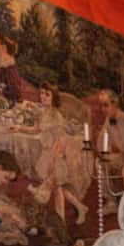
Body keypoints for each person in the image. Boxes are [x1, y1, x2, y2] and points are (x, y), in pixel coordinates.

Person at [21, 84, 88, 225]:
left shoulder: (56, 116)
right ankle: (79, 208)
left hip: (55, 154)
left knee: (56, 188)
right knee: (58, 188)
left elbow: (61, 141)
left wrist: (53, 159)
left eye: (47, 94)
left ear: (53, 97)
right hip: (46, 153)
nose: (43, 97)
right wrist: (19, 128)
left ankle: (61, 221)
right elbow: (36, 129)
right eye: (42, 93)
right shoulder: (42, 113)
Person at [0, 34, 23, 104]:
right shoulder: (2, 67)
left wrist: (1, 91)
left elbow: (16, 93)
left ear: (4, 47)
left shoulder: (10, 70)